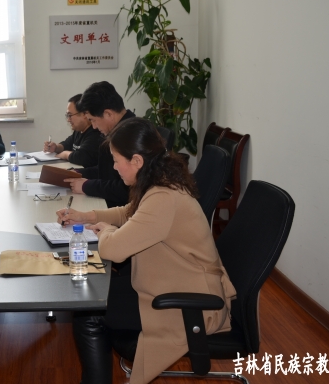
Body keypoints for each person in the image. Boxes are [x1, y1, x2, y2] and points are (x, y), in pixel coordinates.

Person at [57, 118, 236, 384]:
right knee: (93, 296)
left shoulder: (164, 197)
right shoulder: (161, 181)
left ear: (138, 161)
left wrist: (105, 230)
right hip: (174, 282)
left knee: (89, 312)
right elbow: (129, 212)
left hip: (189, 302)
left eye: (117, 160)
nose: (114, 167)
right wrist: (87, 216)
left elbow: (113, 250)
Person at [66, 81, 136, 208]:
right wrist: (77, 173)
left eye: (93, 120)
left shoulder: (131, 136)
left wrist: (86, 186)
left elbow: (126, 190)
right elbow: (105, 170)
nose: (93, 126)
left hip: (122, 209)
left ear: (108, 114)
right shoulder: (119, 130)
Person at [42, 94, 103, 167]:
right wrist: (55, 147)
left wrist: (65, 154)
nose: (68, 120)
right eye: (67, 116)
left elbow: (81, 157)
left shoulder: (95, 133)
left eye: (70, 115)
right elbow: (67, 144)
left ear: (84, 114)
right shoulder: (78, 130)